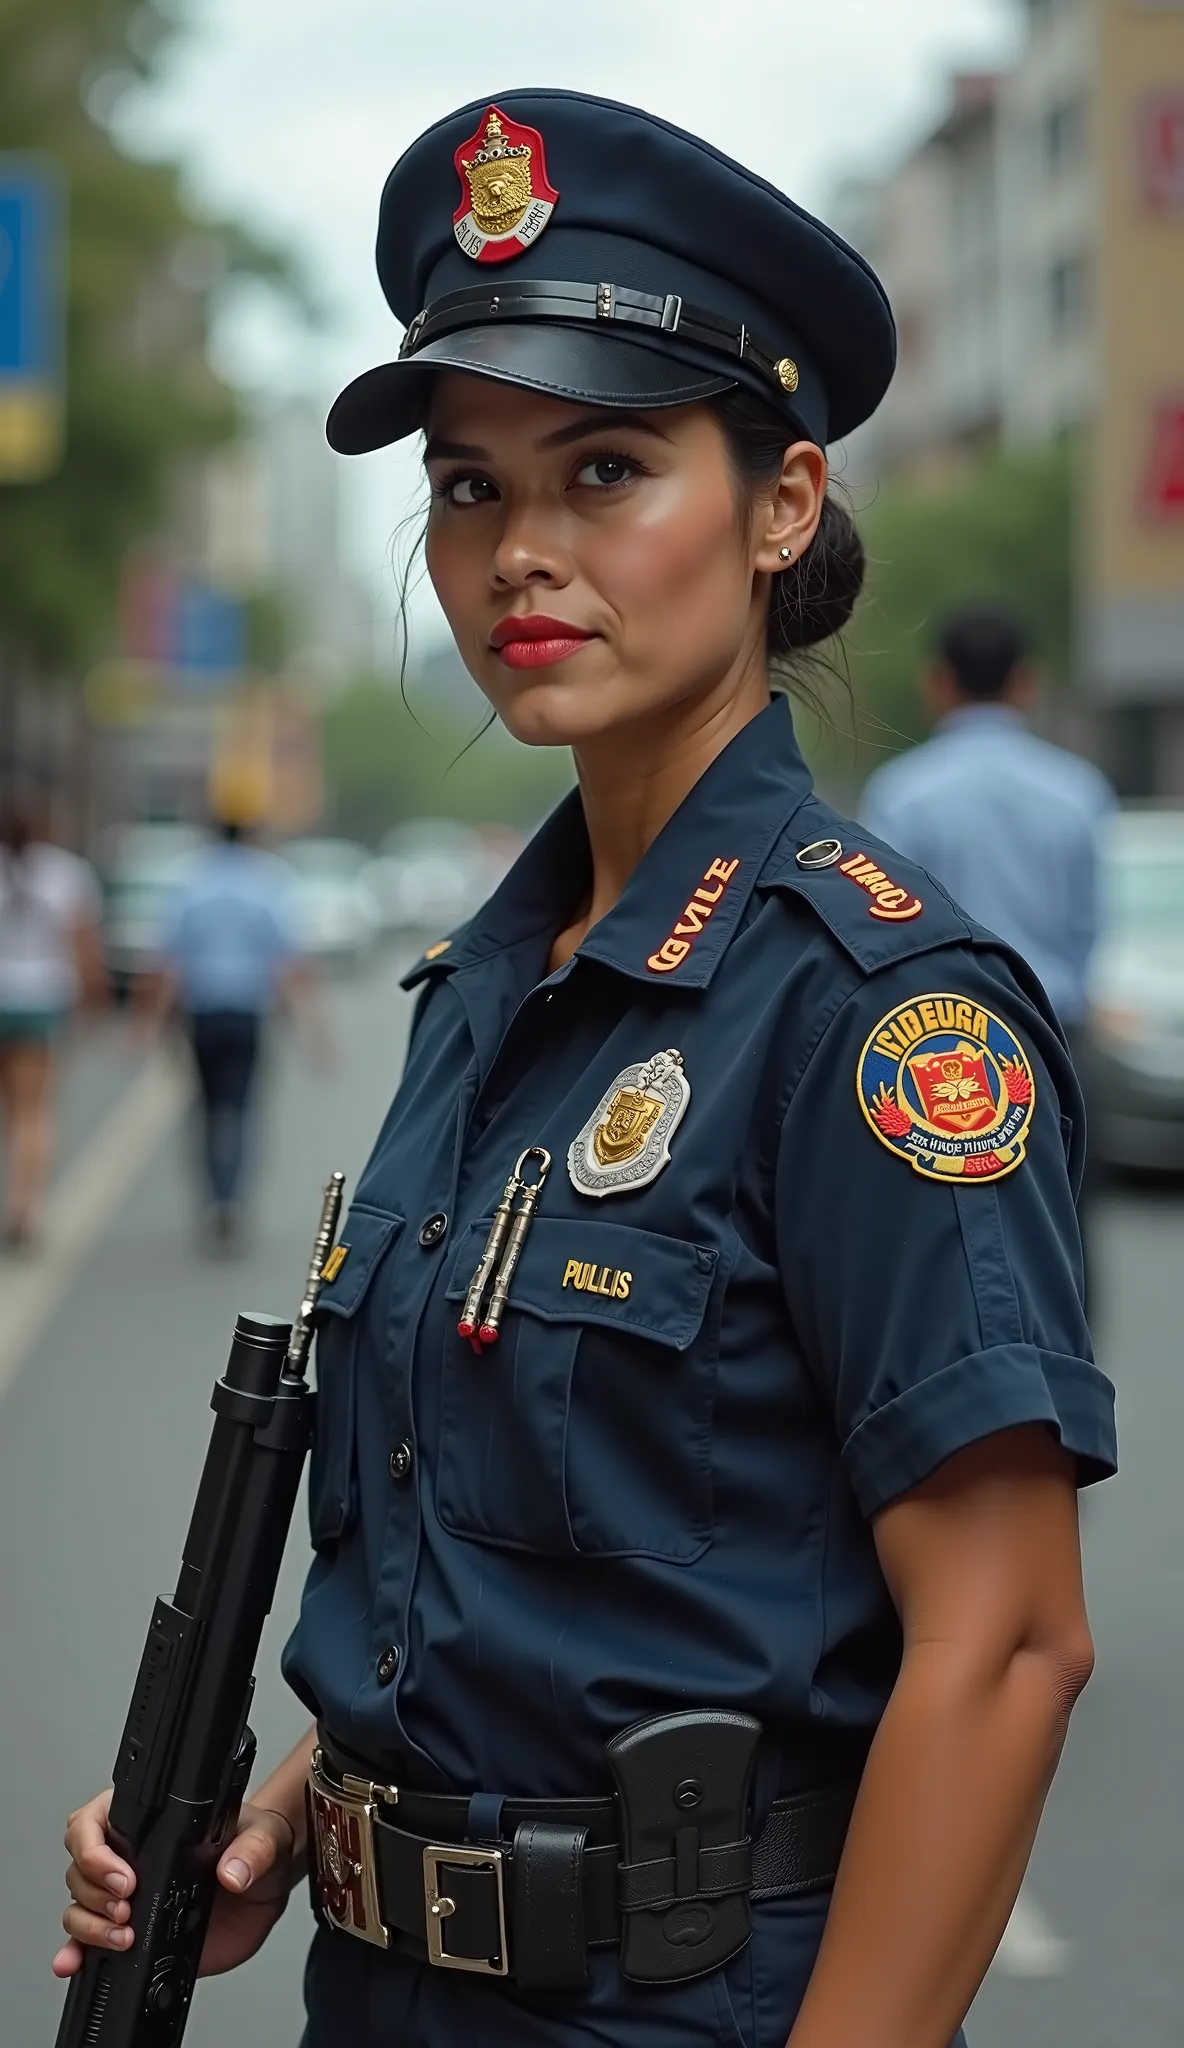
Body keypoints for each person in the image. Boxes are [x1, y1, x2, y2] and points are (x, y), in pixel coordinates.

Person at [54, 91, 1117, 2048]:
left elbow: (1005, 1645)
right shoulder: (484, 986)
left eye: (604, 468)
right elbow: (496, 1562)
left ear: (782, 503)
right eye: (469, 487)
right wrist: (297, 1811)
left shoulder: (876, 1011)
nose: (519, 552)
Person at [860, 607, 1116, 1302]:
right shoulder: (1079, 792)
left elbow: (888, 936)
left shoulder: (903, 794)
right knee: (1064, 1229)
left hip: (942, 1048)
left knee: (955, 1240)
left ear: (938, 683)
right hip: (1058, 1035)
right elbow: (1088, 926)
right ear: (1026, 684)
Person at [139, 816, 322, 1251]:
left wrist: (147, 1023)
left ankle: (212, 1197)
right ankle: (233, 1198)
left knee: (204, 1109)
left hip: (201, 1014)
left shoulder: (190, 882)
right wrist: (312, 1030)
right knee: (241, 1108)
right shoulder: (268, 882)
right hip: (247, 1014)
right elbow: (288, 963)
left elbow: (168, 962)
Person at [0, 801, 105, 1247]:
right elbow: (83, 948)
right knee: (32, 1113)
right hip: (42, 1000)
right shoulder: (65, 874)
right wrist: (90, 1004)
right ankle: (25, 1208)